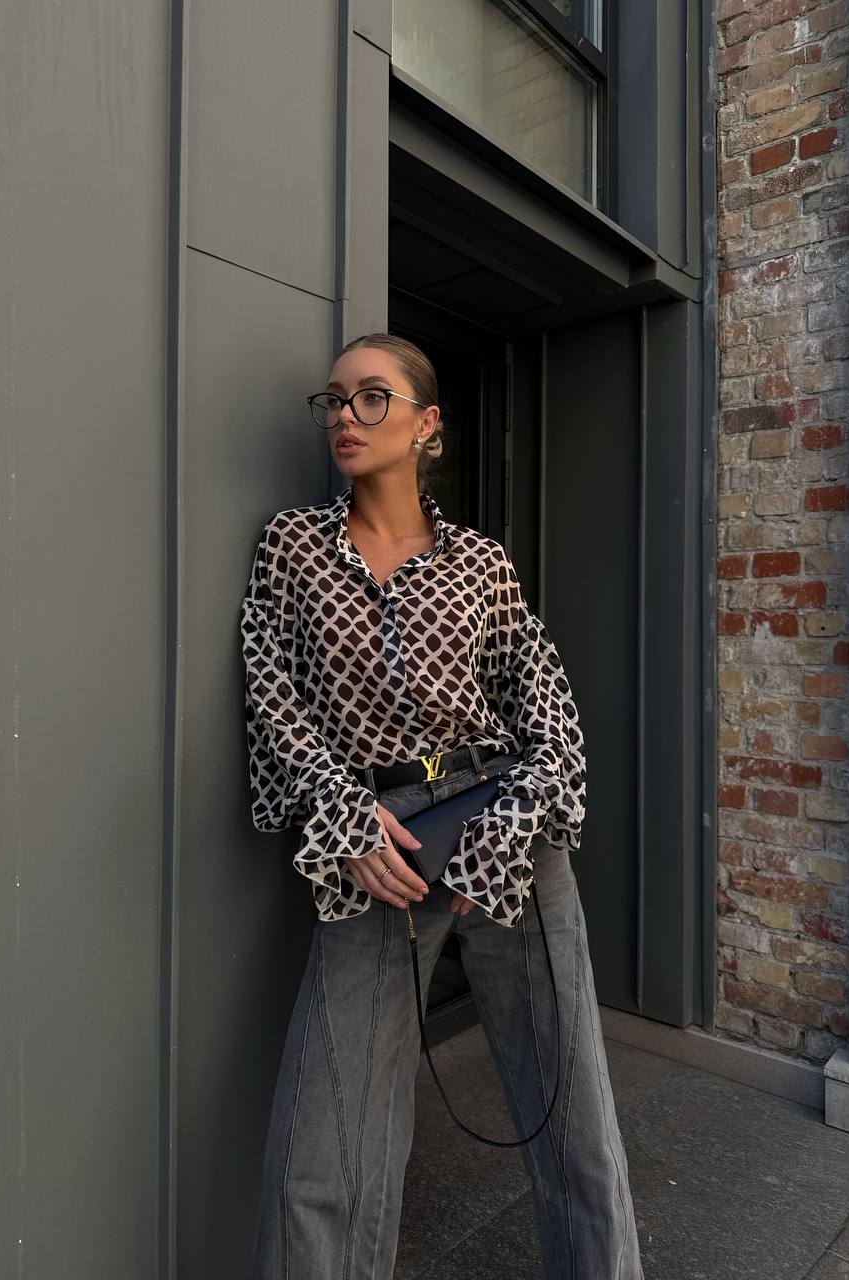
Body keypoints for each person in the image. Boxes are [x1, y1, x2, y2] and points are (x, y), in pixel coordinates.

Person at [240, 332, 645, 1279]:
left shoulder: (480, 564)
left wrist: (510, 828)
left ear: (426, 425)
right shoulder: (292, 547)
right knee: (320, 1155)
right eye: (333, 400)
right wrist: (337, 815)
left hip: (504, 825)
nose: (344, 414)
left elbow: (548, 711)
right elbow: (272, 693)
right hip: (374, 845)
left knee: (575, 1113)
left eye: (371, 397)